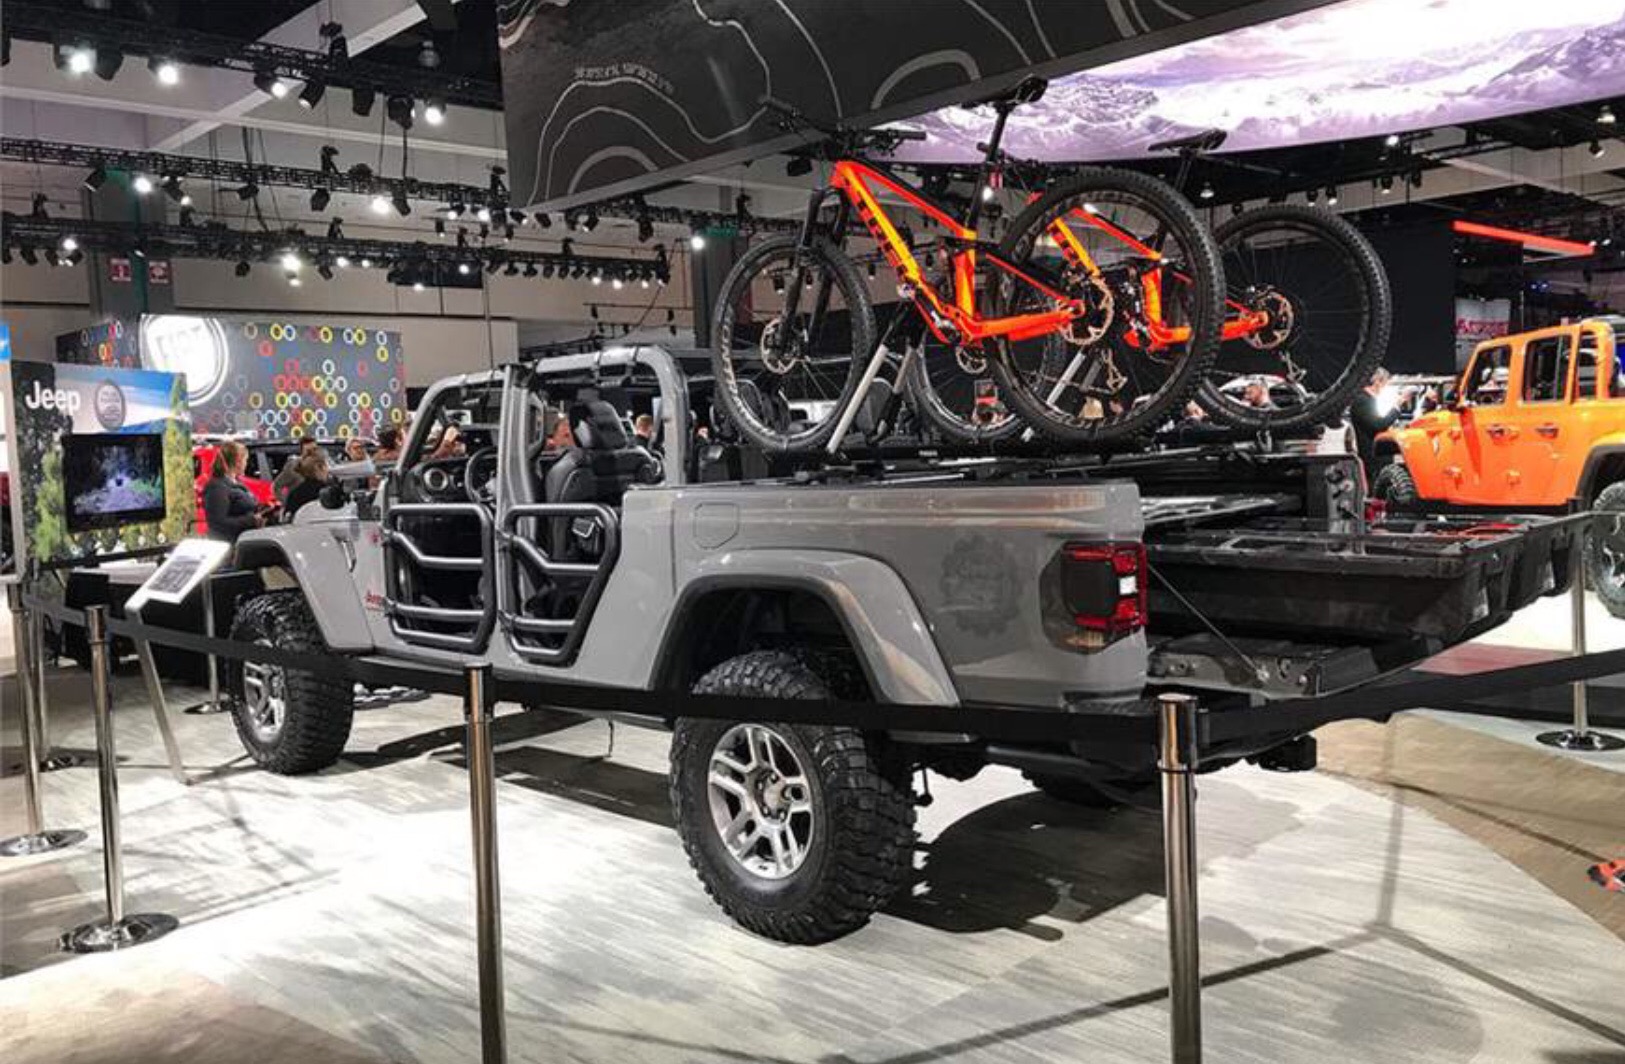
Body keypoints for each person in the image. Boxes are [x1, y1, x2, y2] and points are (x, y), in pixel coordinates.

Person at [204, 441, 271, 546]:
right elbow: (217, 522)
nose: (246, 464)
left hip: (244, 540)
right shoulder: (217, 486)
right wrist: (251, 520)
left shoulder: (236, 483)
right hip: (229, 545)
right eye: (245, 460)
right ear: (237, 461)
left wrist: (261, 509)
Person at [1349, 367, 1412, 475]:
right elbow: (1378, 425)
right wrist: (1397, 406)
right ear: (1377, 382)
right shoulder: (1362, 401)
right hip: (1373, 458)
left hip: (1377, 457)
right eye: (1385, 384)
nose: (1384, 388)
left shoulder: (1367, 400)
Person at [282, 450, 330, 518]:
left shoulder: (295, 493)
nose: (328, 470)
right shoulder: (328, 491)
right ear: (317, 467)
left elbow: (288, 516)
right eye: (326, 466)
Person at [273, 436, 322, 503]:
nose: (312, 453)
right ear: (302, 452)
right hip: (301, 506)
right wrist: (288, 503)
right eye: (308, 451)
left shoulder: (322, 465)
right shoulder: (293, 466)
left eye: (315, 449)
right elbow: (277, 486)